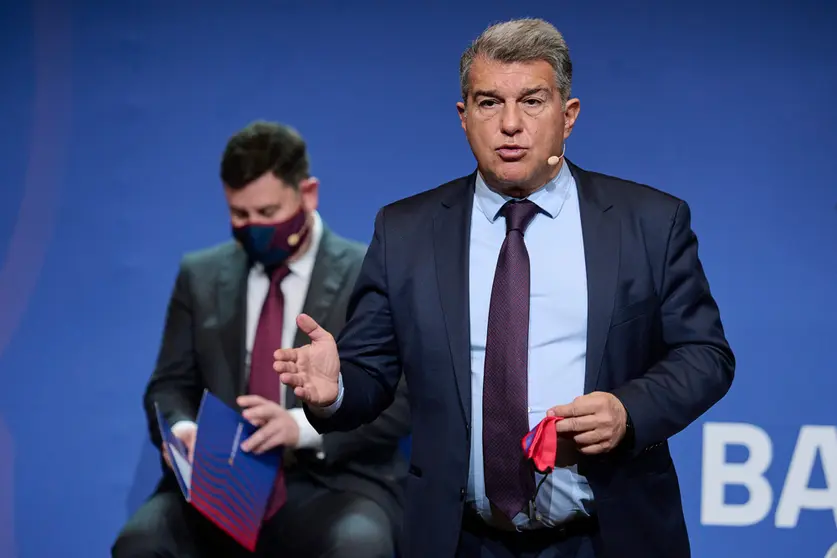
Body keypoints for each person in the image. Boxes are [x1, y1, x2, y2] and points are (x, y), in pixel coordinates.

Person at [274, 18, 735, 558]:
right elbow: (371, 372)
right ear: (463, 117)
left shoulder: (650, 223)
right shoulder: (406, 231)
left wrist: (628, 411)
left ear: (568, 116)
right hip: (459, 541)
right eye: (489, 102)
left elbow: (705, 355)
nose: (510, 124)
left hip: (609, 537)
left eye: (533, 101)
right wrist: (337, 391)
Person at [112, 121, 410, 558]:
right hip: (219, 483)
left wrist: (301, 427)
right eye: (239, 214)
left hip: (334, 482)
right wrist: (184, 430)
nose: (253, 227)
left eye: (268, 214)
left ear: (308, 194)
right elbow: (169, 384)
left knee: (359, 546)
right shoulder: (201, 275)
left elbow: (401, 398)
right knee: (140, 543)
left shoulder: (370, 269)